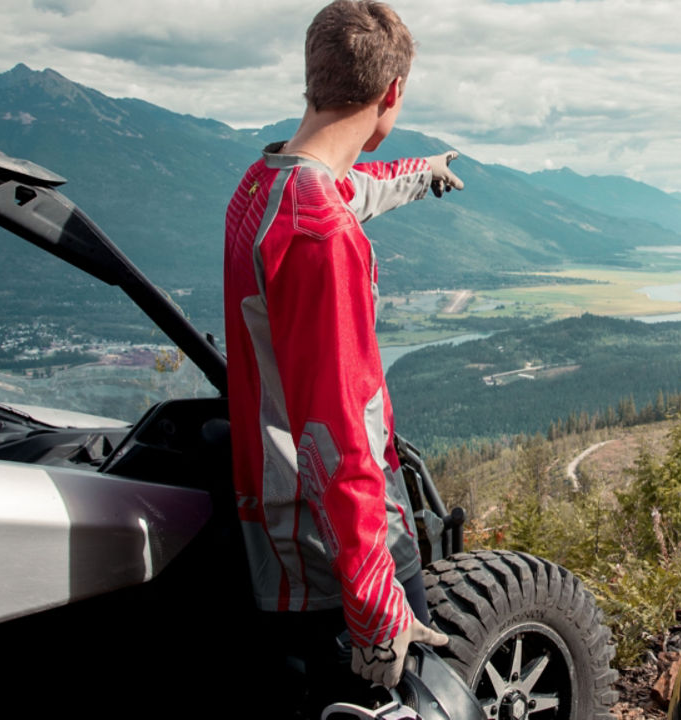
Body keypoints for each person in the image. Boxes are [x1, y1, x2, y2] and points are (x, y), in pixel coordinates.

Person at [222, 0, 463, 701]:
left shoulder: (263, 186)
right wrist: (376, 605)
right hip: (340, 558)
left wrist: (423, 172)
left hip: (280, 532)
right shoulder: (322, 236)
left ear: (313, 79)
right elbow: (339, 431)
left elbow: (344, 186)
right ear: (392, 94)